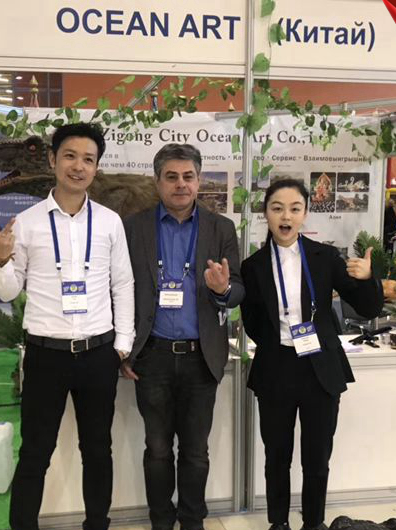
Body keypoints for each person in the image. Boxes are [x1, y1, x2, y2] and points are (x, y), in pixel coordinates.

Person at [0, 123, 135, 530]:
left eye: (88, 159)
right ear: (53, 160)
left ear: (96, 167)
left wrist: (122, 343)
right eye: (70, 156)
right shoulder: (27, 223)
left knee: (97, 451)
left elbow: (123, 283)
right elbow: (9, 291)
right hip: (45, 356)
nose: (78, 166)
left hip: (97, 354)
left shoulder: (110, 222)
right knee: (35, 452)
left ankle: (96, 524)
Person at [240, 179, 383, 530]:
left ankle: (314, 522)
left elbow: (367, 308)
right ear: (266, 214)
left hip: (320, 369)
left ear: (305, 213)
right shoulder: (253, 266)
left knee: (317, 458)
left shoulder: (325, 257)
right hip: (276, 369)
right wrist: (279, 342)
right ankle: (278, 523)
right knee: (276, 457)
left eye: (295, 209)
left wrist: (368, 278)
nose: (286, 216)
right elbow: (254, 323)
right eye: (277, 208)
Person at [120, 144, 245, 530]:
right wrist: (124, 349)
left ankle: (192, 521)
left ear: (199, 180)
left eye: (188, 176)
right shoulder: (134, 227)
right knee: (157, 450)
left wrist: (223, 289)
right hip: (152, 356)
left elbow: (239, 289)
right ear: (157, 181)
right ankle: (161, 521)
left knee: (195, 452)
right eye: (171, 177)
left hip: (200, 357)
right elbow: (119, 289)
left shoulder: (221, 228)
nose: (180, 184)